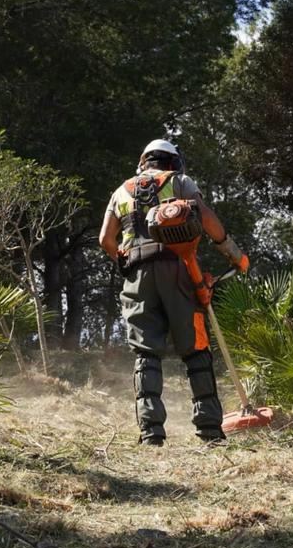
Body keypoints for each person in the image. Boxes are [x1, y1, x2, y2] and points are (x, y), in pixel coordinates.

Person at [99, 139, 249, 446]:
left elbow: (105, 239)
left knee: (146, 352)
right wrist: (233, 253)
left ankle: (151, 432)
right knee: (195, 348)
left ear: (144, 161)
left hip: (137, 275)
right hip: (178, 268)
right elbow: (205, 216)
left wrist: (125, 261)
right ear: (173, 162)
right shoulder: (179, 181)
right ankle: (209, 430)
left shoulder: (121, 191)